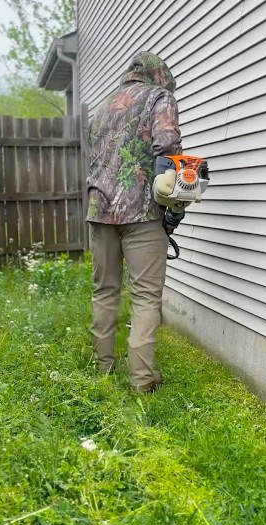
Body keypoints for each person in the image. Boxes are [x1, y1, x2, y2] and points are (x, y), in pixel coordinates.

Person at [84, 51, 187, 394]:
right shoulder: (160, 97)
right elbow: (168, 148)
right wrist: (173, 207)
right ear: (159, 76)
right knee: (145, 297)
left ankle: (102, 369)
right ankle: (142, 381)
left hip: (100, 211)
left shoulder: (101, 108)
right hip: (142, 212)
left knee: (105, 291)